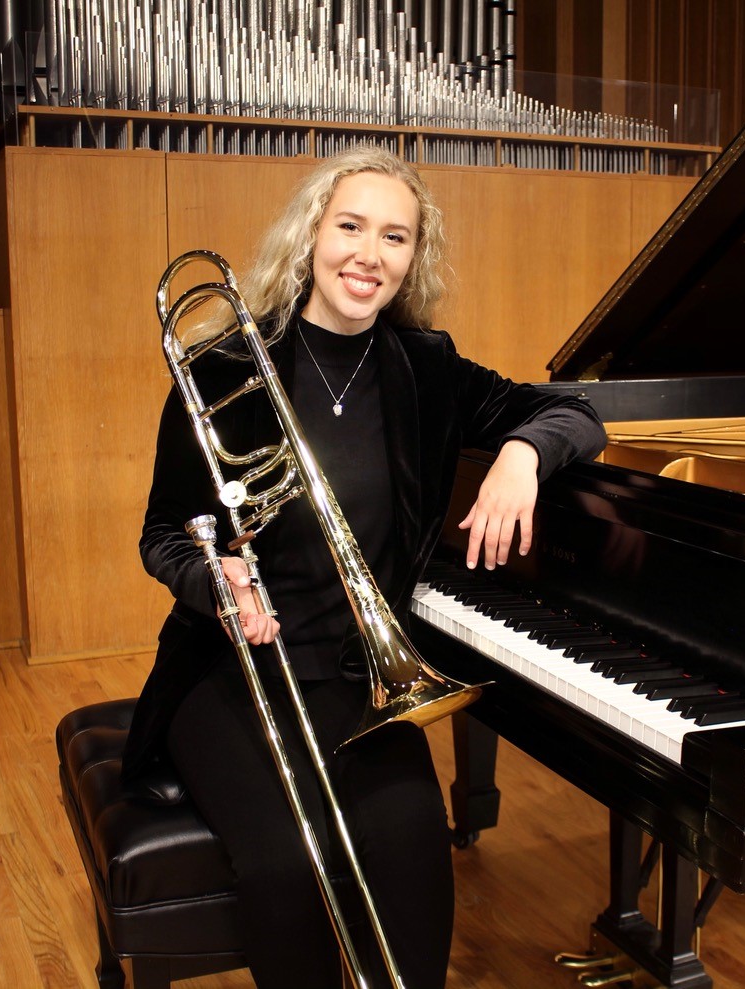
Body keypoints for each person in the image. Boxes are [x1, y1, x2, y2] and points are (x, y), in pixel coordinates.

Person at [122, 144, 607, 988]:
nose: (368, 254)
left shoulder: (426, 368)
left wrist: (521, 456)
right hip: (237, 672)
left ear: (414, 257)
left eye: (396, 236)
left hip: (363, 677)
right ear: (313, 233)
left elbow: (575, 409)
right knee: (284, 868)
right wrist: (217, 581)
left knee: (418, 862)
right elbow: (163, 532)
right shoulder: (225, 363)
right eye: (350, 226)